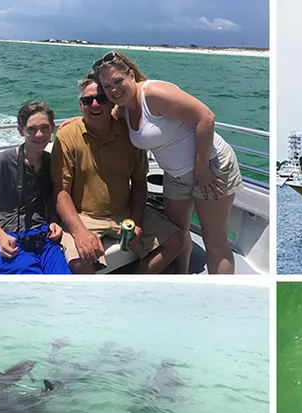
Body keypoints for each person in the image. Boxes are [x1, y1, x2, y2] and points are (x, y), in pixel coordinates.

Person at [91, 50, 242, 274]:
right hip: (175, 176)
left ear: (131, 75)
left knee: (215, 243)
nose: (113, 89)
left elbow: (206, 117)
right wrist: (78, 120)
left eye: (118, 81)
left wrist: (201, 169)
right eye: (106, 86)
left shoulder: (153, 94)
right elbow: (107, 117)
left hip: (210, 166)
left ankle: (222, 299)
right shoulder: (123, 108)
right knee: (177, 233)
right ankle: (181, 277)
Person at [52, 74, 186, 274]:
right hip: (85, 214)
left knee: (176, 241)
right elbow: (60, 192)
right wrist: (80, 232)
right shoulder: (66, 135)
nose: (95, 104)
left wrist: (137, 221)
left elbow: (140, 181)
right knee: (80, 262)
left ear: (111, 102)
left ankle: (132, 286)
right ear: (81, 106)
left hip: (123, 211)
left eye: (101, 99)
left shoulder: (130, 133)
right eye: (87, 101)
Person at [0, 101, 69, 275]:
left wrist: (54, 221)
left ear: (52, 128)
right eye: (32, 129)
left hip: (43, 238)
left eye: (44, 128)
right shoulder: (1, 162)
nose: (39, 134)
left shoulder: (50, 162)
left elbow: (49, 197)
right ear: (20, 131)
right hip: (9, 238)